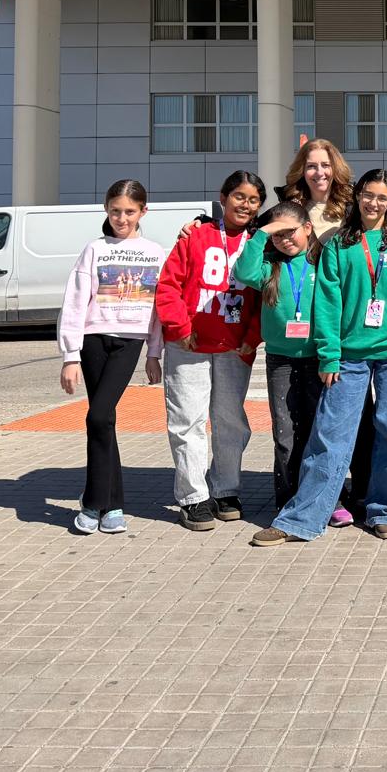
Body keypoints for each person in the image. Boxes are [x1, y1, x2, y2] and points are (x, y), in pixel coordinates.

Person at [253, 170, 387, 546]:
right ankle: (302, 518)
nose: (373, 203)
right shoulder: (338, 243)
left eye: (382, 198)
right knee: (330, 435)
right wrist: (329, 355)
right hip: (349, 355)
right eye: (368, 195)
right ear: (357, 196)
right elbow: (328, 302)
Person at [156, 171, 265, 531]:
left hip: (234, 348)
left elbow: (267, 295)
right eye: (239, 196)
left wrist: (253, 335)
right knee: (188, 420)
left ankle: (225, 489)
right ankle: (193, 496)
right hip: (189, 345)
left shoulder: (260, 243)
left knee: (230, 421)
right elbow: (168, 286)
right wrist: (180, 328)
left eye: (253, 200)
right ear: (223, 197)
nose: (245, 205)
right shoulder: (196, 236)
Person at [56, 179, 165, 535]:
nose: (122, 218)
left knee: (99, 415)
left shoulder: (154, 252)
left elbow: (159, 309)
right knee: (103, 420)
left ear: (143, 212)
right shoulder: (94, 249)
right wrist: (70, 355)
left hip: (129, 342)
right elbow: (75, 301)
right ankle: (112, 505)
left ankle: (92, 501)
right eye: (115, 211)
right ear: (106, 210)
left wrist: (154, 353)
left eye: (129, 212)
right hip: (92, 340)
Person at [230, 200, 317, 511]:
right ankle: (287, 498)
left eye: (289, 231)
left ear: (308, 228)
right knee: (285, 430)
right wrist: (262, 233)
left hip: (317, 358)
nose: (284, 239)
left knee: (315, 428)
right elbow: (243, 271)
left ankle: (319, 496)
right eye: (277, 235)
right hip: (280, 359)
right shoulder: (269, 266)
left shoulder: (321, 263)